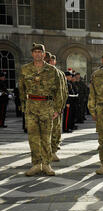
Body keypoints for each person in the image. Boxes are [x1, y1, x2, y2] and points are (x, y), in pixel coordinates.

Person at [18, 43, 64, 176]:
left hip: (47, 106)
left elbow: (58, 91)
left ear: (44, 54)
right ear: (32, 54)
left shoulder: (52, 70)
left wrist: (57, 108)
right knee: (33, 137)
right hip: (31, 105)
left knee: (46, 137)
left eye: (40, 52)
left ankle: (46, 164)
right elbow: (21, 89)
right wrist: (23, 106)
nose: (38, 54)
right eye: (35, 52)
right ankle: (36, 164)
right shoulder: (25, 69)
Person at [45, 52, 68, 162]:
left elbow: (64, 91)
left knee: (55, 130)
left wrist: (60, 107)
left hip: (56, 107)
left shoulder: (60, 74)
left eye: (50, 61)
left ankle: (53, 151)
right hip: (42, 107)